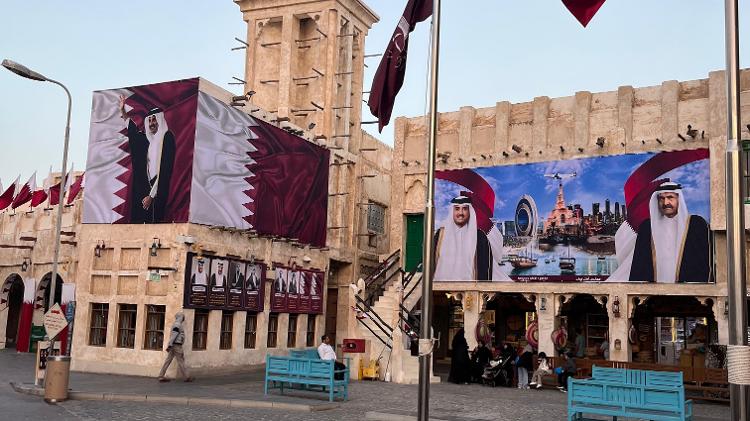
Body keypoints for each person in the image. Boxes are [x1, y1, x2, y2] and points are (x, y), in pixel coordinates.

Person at [629, 182, 710, 283]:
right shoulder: (647, 227)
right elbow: (639, 264)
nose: (666, 202)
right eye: (661, 198)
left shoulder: (695, 225)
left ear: (679, 199)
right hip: (653, 294)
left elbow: (703, 263)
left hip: (687, 294)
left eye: (670, 197)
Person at [118, 95, 176, 223]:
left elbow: (165, 170)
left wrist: (151, 195)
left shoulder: (167, 138)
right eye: (149, 121)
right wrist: (123, 111)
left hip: (159, 190)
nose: (152, 124)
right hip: (146, 188)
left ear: (160, 121)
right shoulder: (146, 140)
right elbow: (132, 131)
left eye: (154, 120)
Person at [434, 196, 493, 281]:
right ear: (452, 211)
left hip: (471, 291)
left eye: (465, 209)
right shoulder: (440, 235)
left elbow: (486, 268)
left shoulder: (480, 237)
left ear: (469, 212)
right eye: (457, 209)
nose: (460, 213)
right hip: (441, 291)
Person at [157, 313, 193, 382]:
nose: (183, 319)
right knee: (181, 361)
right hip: (177, 345)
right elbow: (174, 335)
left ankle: (161, 376)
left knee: (168, 360)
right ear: (180, 317)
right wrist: (170, 345)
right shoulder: (177, 325)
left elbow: (174, 335)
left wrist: (170, 345)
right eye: (183, 317)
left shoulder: (177, 324)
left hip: (173, 345)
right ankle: (187, 377)